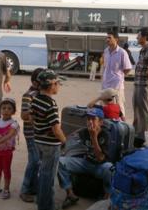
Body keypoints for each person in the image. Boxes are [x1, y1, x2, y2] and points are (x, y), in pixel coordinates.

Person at [57, 108, 113, 209]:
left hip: (100, 166)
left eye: (93, 119)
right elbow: (69, 139)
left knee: (110, 169)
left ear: (100, 122)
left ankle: (106, 199)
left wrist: (94, 137)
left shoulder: (106, 135)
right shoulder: (84, 131)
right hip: (85, 162)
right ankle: (70, 194)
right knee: (60, 161)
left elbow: (100, 158)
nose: (90, 122)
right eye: (88, 119)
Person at [31, 69, 66, 210]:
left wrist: (40, 130)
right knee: (48, 177)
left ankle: (41, 202)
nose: (59, 86)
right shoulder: (51, 104)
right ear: (51, 85)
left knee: (43, 173)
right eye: (58, 83)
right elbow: (56, 130)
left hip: (38, 141)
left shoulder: (36, 99)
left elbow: (31, 118)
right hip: (50, 145)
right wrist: (65, 141)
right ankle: (46, 206)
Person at [19, 67, 44, 203]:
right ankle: (25, 189)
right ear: (35, 82)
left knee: (38, 162)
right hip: (31, 133)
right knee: (34, 161)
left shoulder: (40, 94)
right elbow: (24, 116)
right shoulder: (28, 95)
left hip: (39, 134)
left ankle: (33, 187)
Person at [0, 98, 19, 200]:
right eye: (4, 108)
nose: (6, 110)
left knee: (6, 170)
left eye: (9, 108)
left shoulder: (14, 124)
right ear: (0, 110)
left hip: (7, 152)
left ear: (13, 111)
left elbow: (9, 136)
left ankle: (6, 189)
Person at [101, 31, 132, 118]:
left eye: (109, 38)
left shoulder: (122, 52)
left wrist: (119, 76)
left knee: (119, 108)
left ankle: (122, 127)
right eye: (107, 38)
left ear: (116, 39)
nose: (107, 40)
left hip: (117, 86)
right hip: (106, 85)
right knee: (105, 107)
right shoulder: (106, 51)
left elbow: (128, 68)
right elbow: (105, 66)